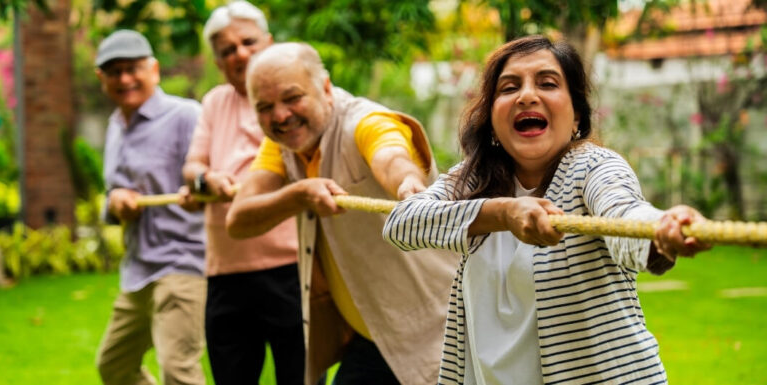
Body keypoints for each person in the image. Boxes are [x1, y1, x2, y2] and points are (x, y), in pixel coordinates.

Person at [383, 35, 711, 385]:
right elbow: (401, 224)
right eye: (509, 87)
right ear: (492, 119)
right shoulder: (474, 180)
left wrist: (662, 229)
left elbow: (624, 213)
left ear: (576, 117)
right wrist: (504, 213)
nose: (526, 95)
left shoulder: (593, 168)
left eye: (547, 83)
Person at [226, 42, 459, 385]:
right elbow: (239, 220)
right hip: (372, 337)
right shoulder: (282, 145)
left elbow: (391, 156)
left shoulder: (365, 121)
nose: (280, 115)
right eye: (265, 107)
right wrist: (299, 194)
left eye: (292, 98)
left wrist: (409, 186)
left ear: (324, 88)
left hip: (439, 329)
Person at [178, 2, 303, 384]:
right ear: (218, 63)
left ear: (269, 42)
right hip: (226, 274)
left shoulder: (294, 97)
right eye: (228, 50)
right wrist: (205, 182)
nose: (241, 53)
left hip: (291, 269)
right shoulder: (216, 102)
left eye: (248, 42)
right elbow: (193, 167)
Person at [94, 30, 207, 385]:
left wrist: (200, 189)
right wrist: (115, 203)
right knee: (114, 365)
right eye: (114, 72)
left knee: (178, 370)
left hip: (184, 262)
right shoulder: (115, 126)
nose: (124, 79)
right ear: (102, 79)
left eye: (132, 68)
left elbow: (215, 177)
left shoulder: (186, 116)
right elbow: (114, 192)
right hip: (139, 269)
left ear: (154, 69)